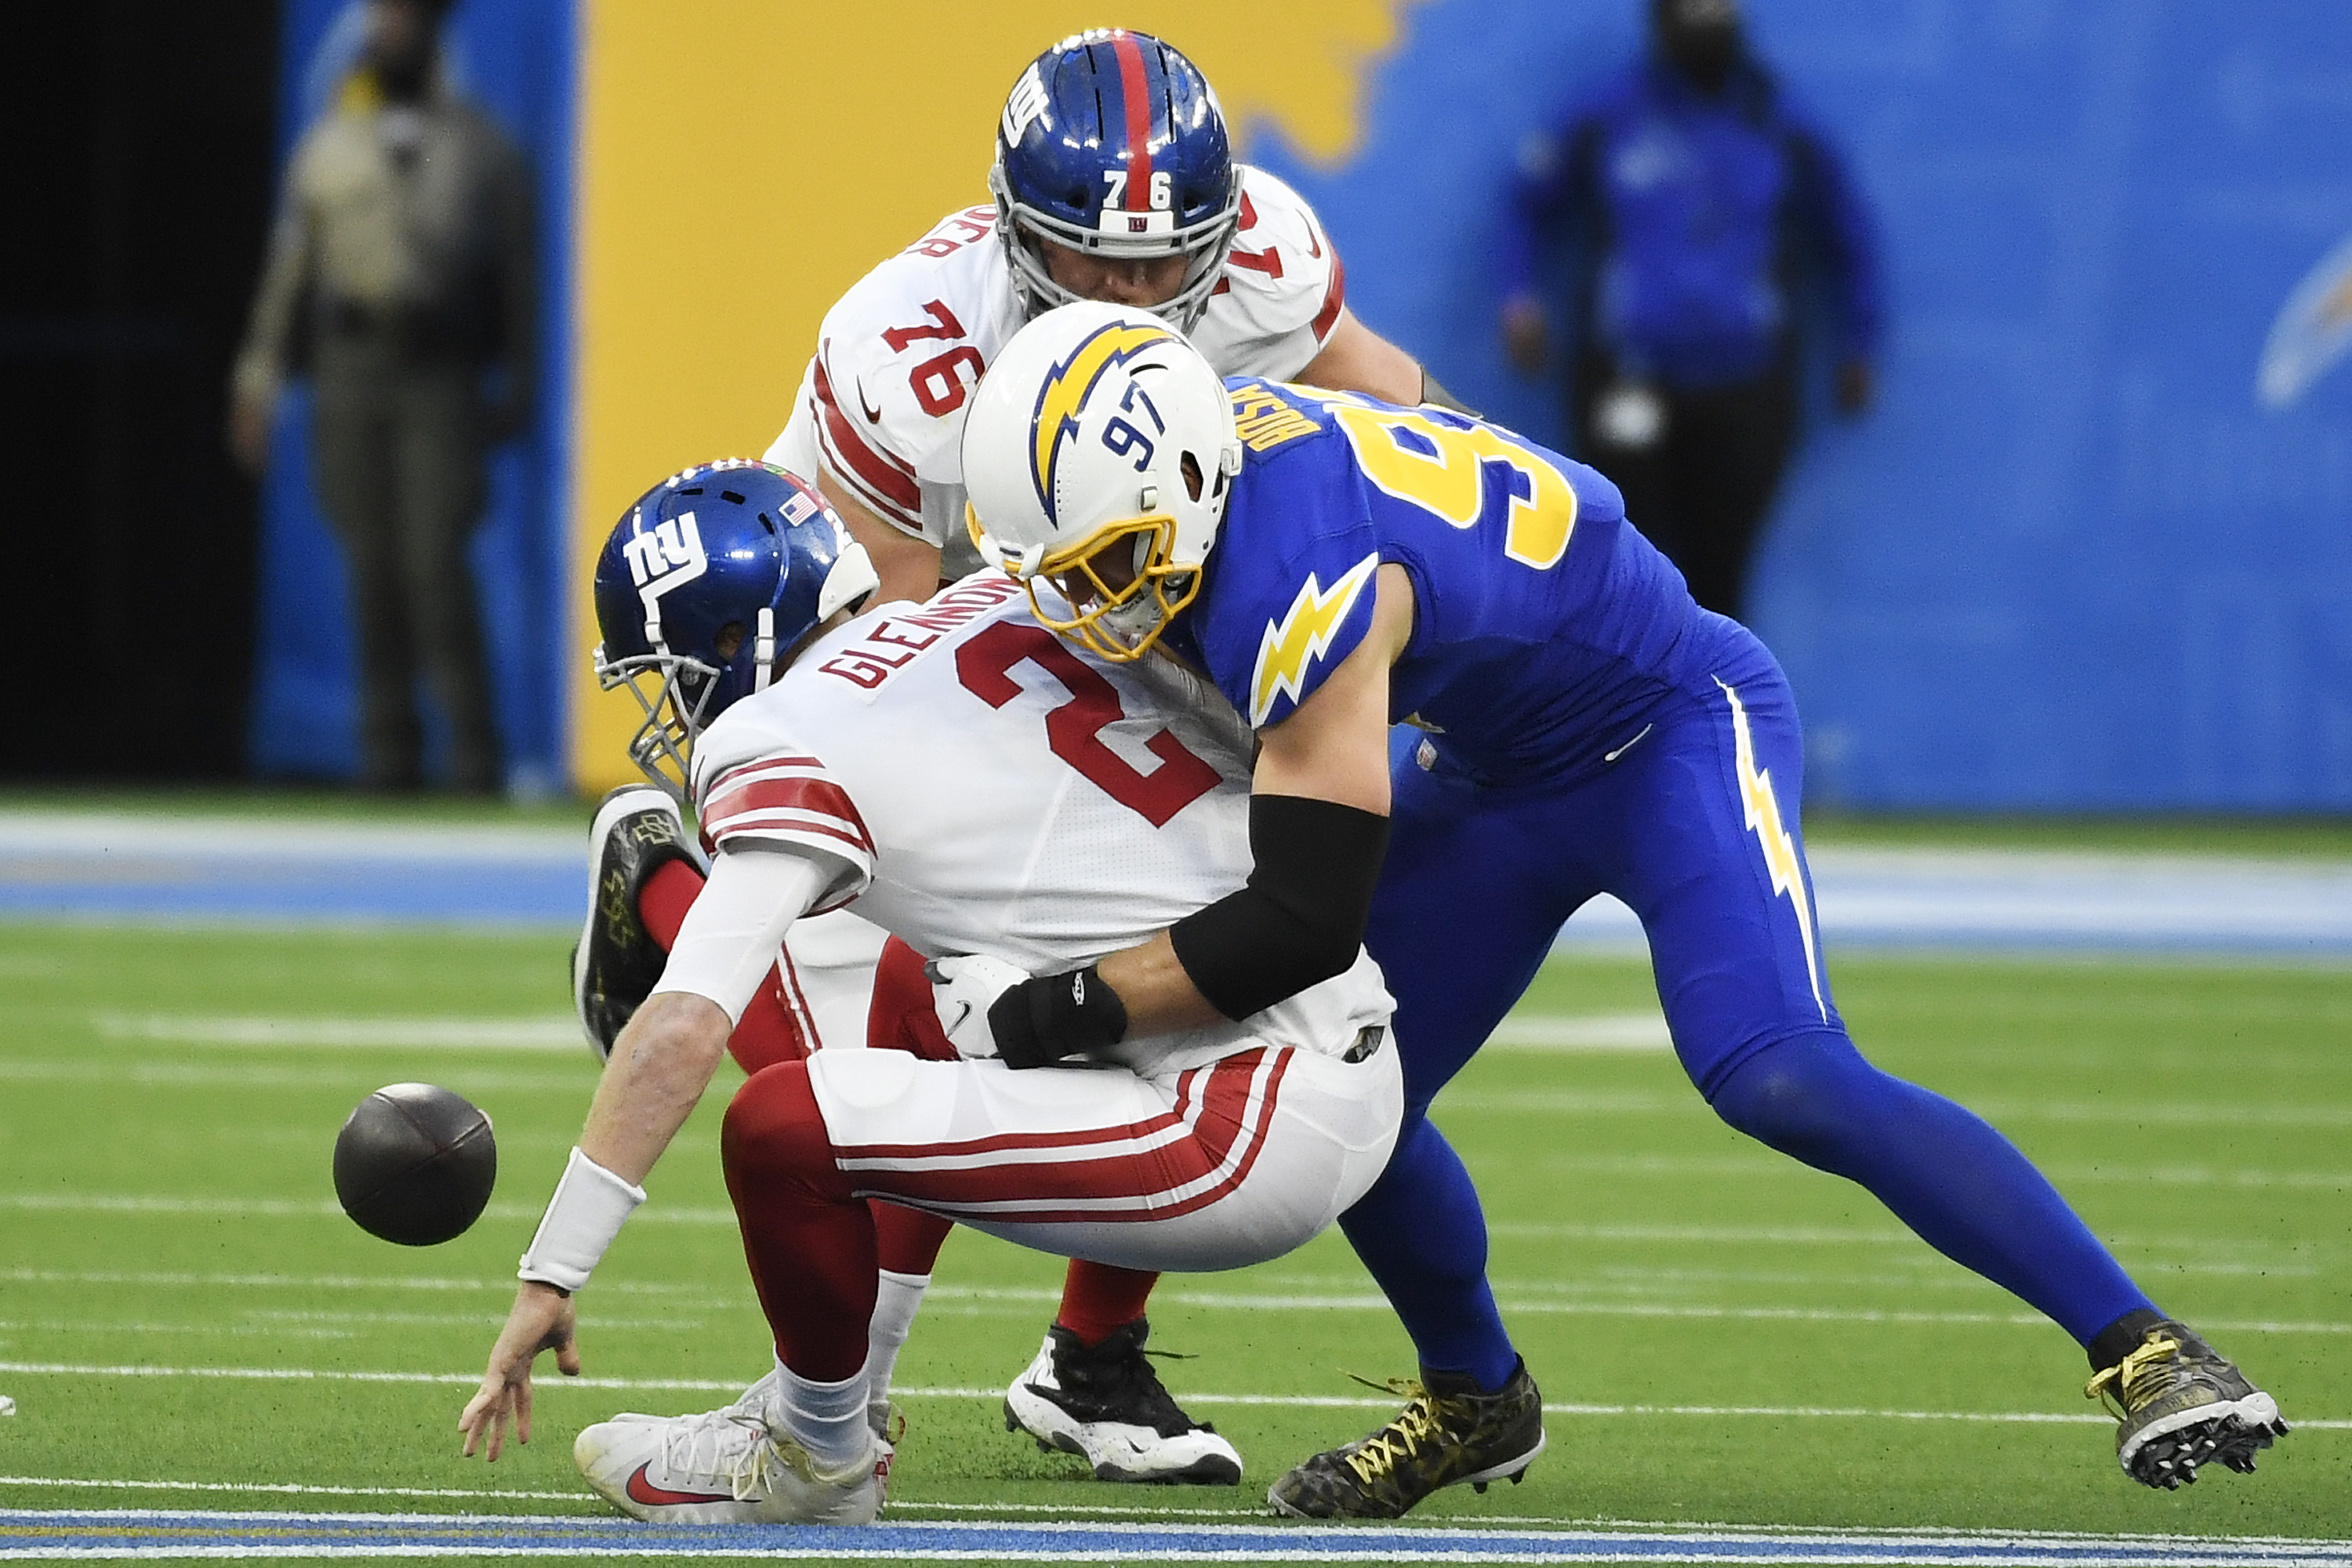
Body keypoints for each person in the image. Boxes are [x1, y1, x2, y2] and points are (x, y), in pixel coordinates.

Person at [956, 302, 2289, 1518]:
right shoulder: (1221, 470)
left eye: (1113, 559)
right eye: (1068, 567)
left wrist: (1063, 1010)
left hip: (1667, 725)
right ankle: (1475, 1398)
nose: (1091, 599)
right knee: (1355, 1090)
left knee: (1780, 1074)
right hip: (1492, 760)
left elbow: (1297, 919)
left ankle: (2151, 1348)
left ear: (1184, 482)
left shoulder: (1305, 582)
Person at [588, 25, 1462, 1481]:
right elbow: (930, 667)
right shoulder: (911, 354)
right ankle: (676, 906)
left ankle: (1085, 1360)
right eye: (1091, 260)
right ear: (1013, 230)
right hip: (898, 624)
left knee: (1228, 942)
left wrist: (1403, 620)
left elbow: (1400, 419)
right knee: (926, 990)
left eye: (1158, 261)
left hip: (1148, 606)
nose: (1130, 292)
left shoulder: (1262, 259)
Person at [458, 459, 1403, 1526]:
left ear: (734, 644)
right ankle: (841, 1399)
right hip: (1330, 1025)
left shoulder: (782, 732)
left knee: (783, 1126)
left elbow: (683, 1022)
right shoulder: (995, 592)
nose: (674, 708)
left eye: (673, 673)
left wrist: (553, 1269)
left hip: (1241, 1118)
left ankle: (814, 1460)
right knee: (922, 981)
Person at [229, 0, 533, 793]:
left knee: (435, 562)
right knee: (370, 567)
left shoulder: (479, 146)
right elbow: (289, 272)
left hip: (438, 369)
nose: (387, 38)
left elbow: (518, 282)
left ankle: (473, 754)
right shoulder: (330, 146)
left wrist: (522, 383)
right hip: (350, 366)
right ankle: (387, 754)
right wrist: (259, 379)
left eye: (403, 24)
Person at [1496, 0, 1881, 621]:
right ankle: (1611, 716)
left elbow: (1847, 230)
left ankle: (1715, 714)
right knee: (1619, 571)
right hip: (1629, 377)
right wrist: (1517, 297)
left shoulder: (1775, 120)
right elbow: (1528, 202)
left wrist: (1861, 341)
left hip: (1745, 385)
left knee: (1720, 590)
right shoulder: (1610, 113)